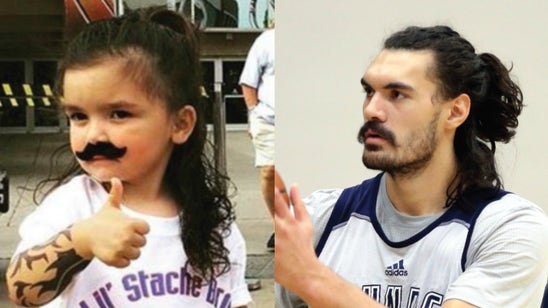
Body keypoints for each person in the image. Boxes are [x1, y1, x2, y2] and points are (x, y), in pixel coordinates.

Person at [274, 25, 548, 307]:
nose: (371, 110)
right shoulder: (320, 219)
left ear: (455, 111)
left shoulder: (510, 229)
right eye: (369, 92)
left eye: (396, 94)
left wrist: (314, 280)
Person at [6, 8, 251, 308]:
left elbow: (234, 298)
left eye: (119, 114)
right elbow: (20, 290)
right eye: (78, 116)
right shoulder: (76, 205)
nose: (94, 135)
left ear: (180, 124)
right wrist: (81, 241)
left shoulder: (213, 224)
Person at [239, 27, 275, 251]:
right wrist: (253, 115)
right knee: (269, 171)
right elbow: (248, 83)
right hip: (269, 121)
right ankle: (278, 225)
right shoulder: (267, 40)